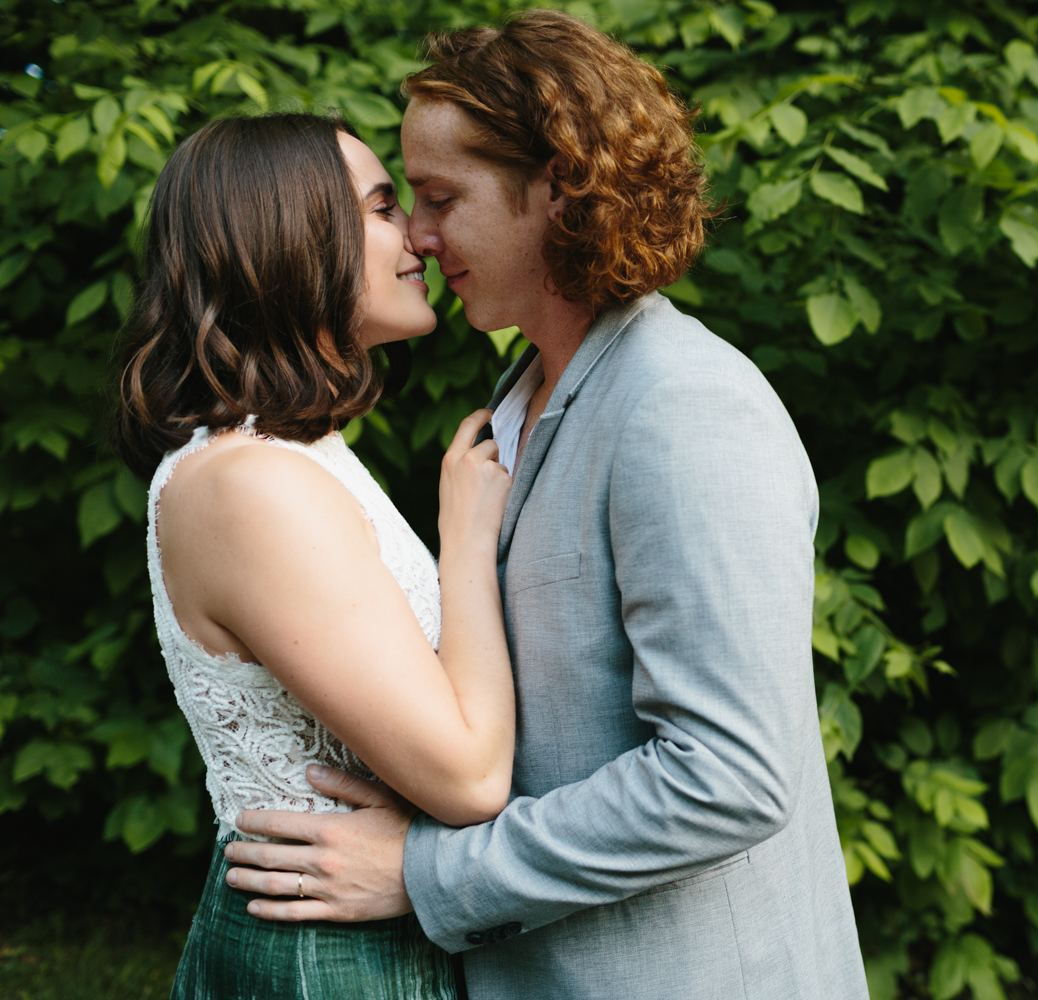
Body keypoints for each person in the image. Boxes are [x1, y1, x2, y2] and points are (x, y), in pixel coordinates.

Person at [226, 11, 870, 1000]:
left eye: (440, 198)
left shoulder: (684, 405)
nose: (420, 237)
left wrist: (422, 871)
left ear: (561, 186)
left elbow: (728, 775)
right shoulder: (516, 407)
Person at [113, 113, 516, 999]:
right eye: (379, 206)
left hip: (358, 924)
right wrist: (467, 542)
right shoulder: (249, 484)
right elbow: (470, 775)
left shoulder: (295, 458)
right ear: (289, 238)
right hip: (323, 955)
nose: (416, 234)